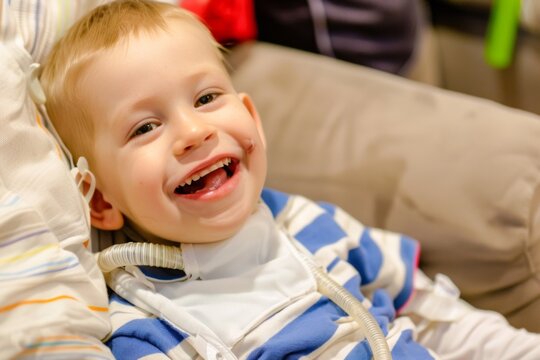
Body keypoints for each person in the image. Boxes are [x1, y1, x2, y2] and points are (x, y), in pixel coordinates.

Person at [40, 0, 540, 359]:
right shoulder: (146, 328)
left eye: (207, 98)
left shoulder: (310, 224)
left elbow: (439, 319)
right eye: (145, 127)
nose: (194, 132)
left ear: (252, 118)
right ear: (100, 202)